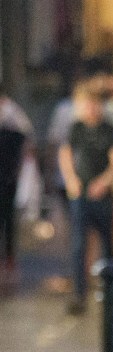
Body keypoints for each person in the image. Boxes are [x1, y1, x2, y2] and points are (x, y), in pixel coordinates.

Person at [59, 81, 113, 315]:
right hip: (81, 193)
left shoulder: (110, 130)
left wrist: (104, 182)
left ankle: (110, 291)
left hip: (103, 195)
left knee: (108, 244)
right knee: (79, 244)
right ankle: (79, 293)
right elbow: (65, 154)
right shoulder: (76, 129)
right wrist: (70, 180)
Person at [0, 82, 33, 286]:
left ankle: (9, 257)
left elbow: (27, 137)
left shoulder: (12, 111)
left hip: (7, 174)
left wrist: (21, 168)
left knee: (8, 218)